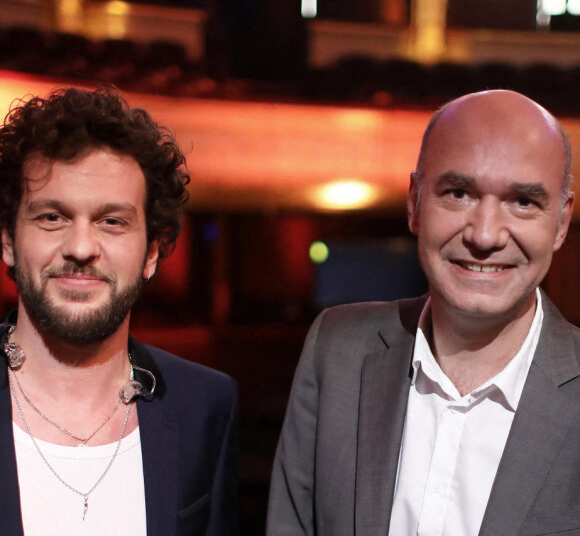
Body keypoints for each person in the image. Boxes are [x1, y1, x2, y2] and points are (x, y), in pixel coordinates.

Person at [266, 89, 580, 536]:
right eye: (459, 193)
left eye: (523, 202)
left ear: (561, 223)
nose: (486, 235)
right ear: (415, 202)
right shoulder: (336, 349)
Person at [0, 87, 238, 535]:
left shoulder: (205, 407)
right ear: (9, 240)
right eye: (52, 217)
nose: (81, 248)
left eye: (112, 221)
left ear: (151, 252)